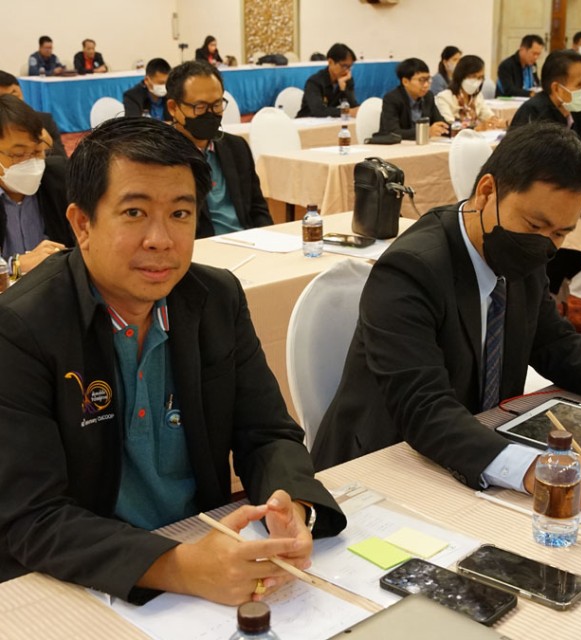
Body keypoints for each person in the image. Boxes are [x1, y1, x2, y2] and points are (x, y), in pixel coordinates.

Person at [0, 116, 346, 604]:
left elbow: (266, 432)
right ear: (82, 224)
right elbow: (32, 515)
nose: (161, 239)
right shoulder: (21, 327)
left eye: (180, 213)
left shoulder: (215, 298)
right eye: (134, 212)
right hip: (83, 575)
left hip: (203, 542)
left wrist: (292, 503)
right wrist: (180, 567)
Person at [312, 122, 581, 509]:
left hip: (476, 445)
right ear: (486, 192)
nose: (544, 245)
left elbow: (556, 345)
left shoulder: (522, 252)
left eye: (559, 234)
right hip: (382, 466)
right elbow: (424, 408)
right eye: (535, 225)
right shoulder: (411, 269)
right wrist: (536, 470)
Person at [506, 50, 581, 297]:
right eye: (580, 84)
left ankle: (556, 292)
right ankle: (544, 293)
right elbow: (525, 169)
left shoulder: (578, 111)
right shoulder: (534, 112)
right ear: (557, 88)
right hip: (534, 200)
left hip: (568, 196)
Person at [166, 60, 273, 236]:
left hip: (247, 242)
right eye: (200, 107)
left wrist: (268, 239)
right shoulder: (162, 157)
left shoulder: (236, 147)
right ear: (173, 108)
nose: (210, 114)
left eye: (216, 105)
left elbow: (258, 209)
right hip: (200, 248)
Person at [0, 95, 72, 277]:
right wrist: (15, 266)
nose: (31, 162)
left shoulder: (60, 179)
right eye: (19, 154)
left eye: (38, 151)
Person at [378, 58, 449, 140]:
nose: (426, 85)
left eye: (428, 79)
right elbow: (392, 132)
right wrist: (426, 132)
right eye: (421, 80)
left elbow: (440, 123)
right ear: (405, 81)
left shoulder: (428, 96)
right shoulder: (392, 99)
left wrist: (456, 127)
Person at [0, 71, 66, 157]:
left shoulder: (43, 120)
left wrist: (45, 143)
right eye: (4, 99)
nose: (12, 102)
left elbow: (62, 159)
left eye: (14, 94)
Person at [435, 55, 506, 130]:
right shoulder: (444, 97)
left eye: (480, 77)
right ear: (461, 76)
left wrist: (499, 122)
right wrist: (477, 128)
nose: (477, 81)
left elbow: (488, 115)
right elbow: (449, 126)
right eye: (473, 76)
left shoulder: (477, 96)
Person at [296, 43, 359, 118]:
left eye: (350, 67)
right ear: (330, 62)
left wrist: (344, 90)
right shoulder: (314, 82)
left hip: (330, 121)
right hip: (306, 120)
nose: (347, 71)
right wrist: (346, 111)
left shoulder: (346, 79)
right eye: (344, 66)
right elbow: (318, 110)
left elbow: (353, 107)